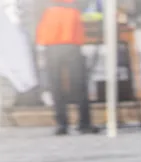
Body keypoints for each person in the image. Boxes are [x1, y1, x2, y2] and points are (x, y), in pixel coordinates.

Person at [36, 0, 99, 135]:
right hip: (55, 39)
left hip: (69, 39)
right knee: (58, 85)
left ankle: (80, 122)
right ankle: (64, 123)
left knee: (77, 83)